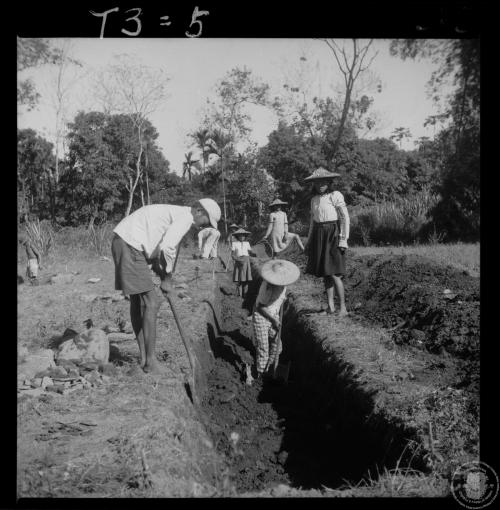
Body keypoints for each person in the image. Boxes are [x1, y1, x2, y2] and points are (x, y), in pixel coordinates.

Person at [111, 198, 221, 374]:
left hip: (126, 242)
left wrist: (163, 274)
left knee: (139, 302)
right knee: (151, 302)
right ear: (199, 211)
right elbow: (167, 247)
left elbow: (157, 250)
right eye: (205, 222)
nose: (202, 226)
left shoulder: (177, 213)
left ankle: (145, 359)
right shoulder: (185, 218)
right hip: (130, 245)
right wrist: (167, 278)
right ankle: (151, 362)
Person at [304, 167, 350, 316]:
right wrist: (309, 241)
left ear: (329, 182)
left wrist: (343, 239)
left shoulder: (335, 195)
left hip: (333, 234)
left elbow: (344, 217)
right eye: (317, 183)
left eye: (323, 182)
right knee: (326, 273)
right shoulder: (314, 200)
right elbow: (312, 222)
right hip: (319, 234)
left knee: (335, 273)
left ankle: (342, 308)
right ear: (314, 184)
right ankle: (330, 307)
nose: (320, 185)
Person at [252, 259, 300, 379]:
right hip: (261, 316)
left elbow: (280, 301)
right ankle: (261, 373)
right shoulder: (267, 287)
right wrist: (273, 320)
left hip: (273, 315)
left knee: (277, 346)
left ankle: (271, 368)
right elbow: (260, 307)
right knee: (263, 347)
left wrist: (276, 317)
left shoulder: (283, 286)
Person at [231, 228, 256, 298]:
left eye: (243, 236)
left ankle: (244, 294)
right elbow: (232, 255)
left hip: (246, 261)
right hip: (239, 262)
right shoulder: (234, 243)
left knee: (246, 279)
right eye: (240, 236)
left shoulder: (247, 243)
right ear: (237, 236)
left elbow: (251, 252)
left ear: (245, 236)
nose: (242, 237)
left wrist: (256, 253)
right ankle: (239, 294)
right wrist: (238, 260)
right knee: (239, 279)